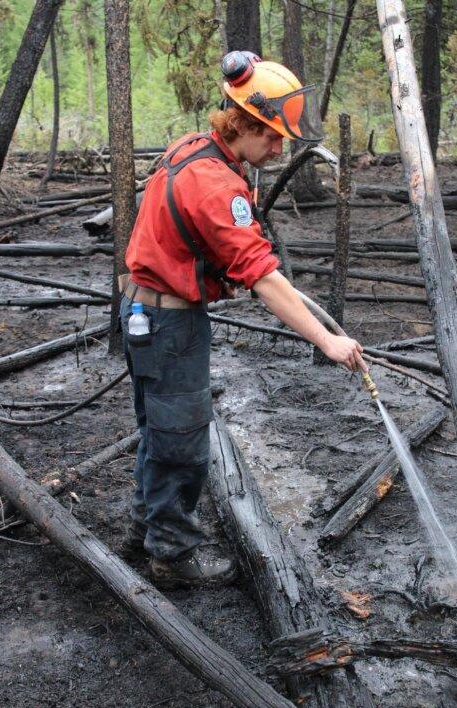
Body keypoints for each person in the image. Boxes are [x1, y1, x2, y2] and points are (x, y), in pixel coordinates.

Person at [118, 51, 364, 586]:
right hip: (167, 324)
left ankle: (145, 528)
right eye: (273, 138)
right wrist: (325, 340)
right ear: (245, 124)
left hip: (143, 312)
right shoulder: (215, 186)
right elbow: (264, 279)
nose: (278, 150)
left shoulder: (195, 148)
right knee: (182, 441)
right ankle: (171, 556)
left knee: (157, 428)